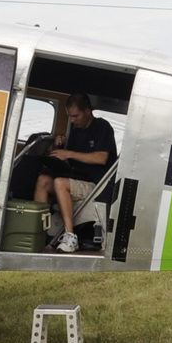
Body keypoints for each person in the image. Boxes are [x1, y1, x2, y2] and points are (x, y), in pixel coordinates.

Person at [33, 93, 116, 253]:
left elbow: (101, 158)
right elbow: (69, 162)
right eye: (70, 117)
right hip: (75, 178)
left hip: (96, 185)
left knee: (59, 183)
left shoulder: (102, 127)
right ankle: (38, 233)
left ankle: (71, 237)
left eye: (76, 116)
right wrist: (58, 150)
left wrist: (69, 153)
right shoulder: (76, 131)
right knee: (43, 180)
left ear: (87, 111)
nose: (72, 120)